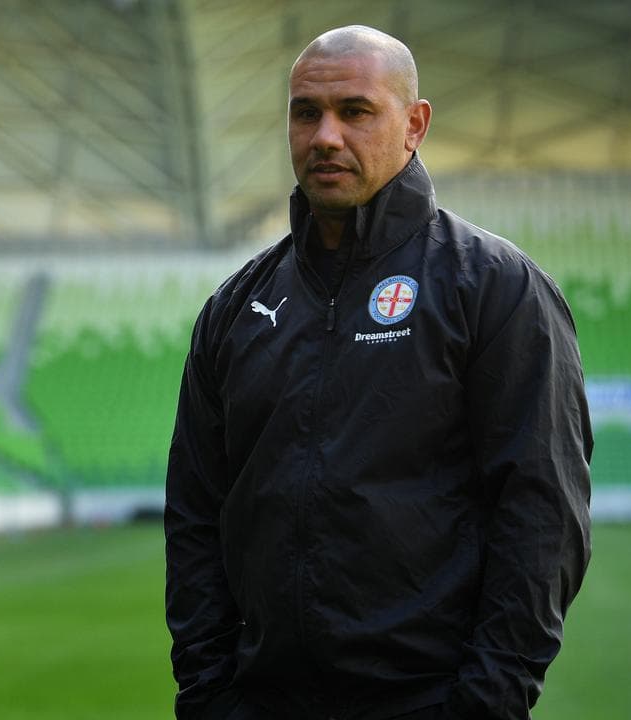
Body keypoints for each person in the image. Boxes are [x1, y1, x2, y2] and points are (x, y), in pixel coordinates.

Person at [164, 25, 591, 720]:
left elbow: (542, 514)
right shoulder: (237, 307)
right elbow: (193, 513)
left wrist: (486, 702)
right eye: (307, 112)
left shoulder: (495, 289)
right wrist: (208, 694)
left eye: (356, 111)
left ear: (414, 125)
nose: (326, 136)